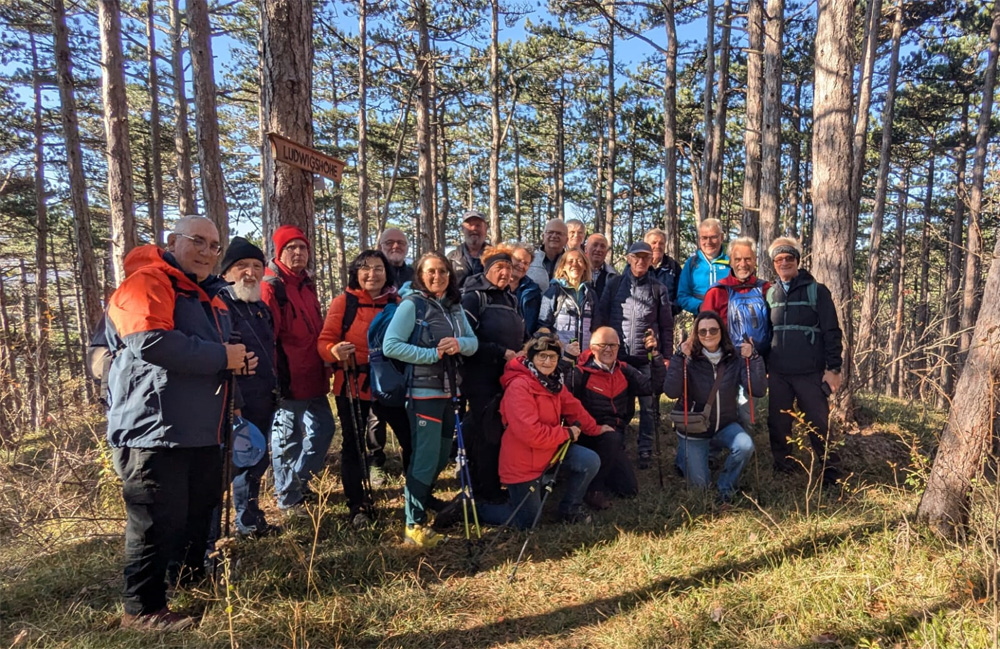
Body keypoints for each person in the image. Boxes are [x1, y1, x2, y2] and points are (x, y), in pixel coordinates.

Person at [105, 216, 255, 631]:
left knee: (196, 512)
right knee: (156, 521)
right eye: (198, 241)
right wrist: (222, 357)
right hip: (152, 428)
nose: (207, 252)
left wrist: (237, 368)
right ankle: (142, 609)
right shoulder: (146, 282)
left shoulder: (211, 295)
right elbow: (149, 341)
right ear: (172, 242)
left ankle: (189, 580)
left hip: (202, 429)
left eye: (214, 245)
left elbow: (220, 352)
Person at [383, 252, 478, 548]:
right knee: (425, 459)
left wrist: (458, 344)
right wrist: (431, 354)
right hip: (423, 394)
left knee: (440, 456)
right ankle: (413, 526)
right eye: (431, 272)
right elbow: (391, 345)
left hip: (450, 391)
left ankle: (420, 507)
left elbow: (472, 343)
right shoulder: (412, 304)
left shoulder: (454, 306)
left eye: (443, 271)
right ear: (420, 275)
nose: (438, 277)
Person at [317, 250, 412, 527]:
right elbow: (324, 341)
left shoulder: (398, 303)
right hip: (352, 384)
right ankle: (357, 505)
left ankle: (416, 497)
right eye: (365, 268)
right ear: (356, 273)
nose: (372, 274)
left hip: (391, 385)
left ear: (387, 272)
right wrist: (334, 351)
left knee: (410, 440)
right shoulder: (343, 303)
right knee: (353, 445)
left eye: (378, 268)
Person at [498, 330, 611, 527]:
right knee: (527, 523)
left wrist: (595, 429)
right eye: (542, 356)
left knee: (589, 460)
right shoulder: (519, 386)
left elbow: (573, 407)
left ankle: (570, 509)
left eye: (553, 357)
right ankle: (478, 509)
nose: (548, 361)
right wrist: (566, 433)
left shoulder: (553, 382)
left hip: (550, 452)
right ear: (531, 357)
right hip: (523, 463)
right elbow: (530, 433)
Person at [263, 224, 336, 511]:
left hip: (313, 376)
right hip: (288, 379)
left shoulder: (306, 284)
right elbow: (267, 338)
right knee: (287, 439)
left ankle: (297, 481)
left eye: (302, 247)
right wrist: (273, 379)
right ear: (279, 252)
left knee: (324, 429)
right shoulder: (271, 287)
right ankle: (288, 498)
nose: (298, 252)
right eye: (290, 247)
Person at [765, 237, 844, 484]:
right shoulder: (770, 293)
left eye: (789, 258)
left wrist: (833, 368)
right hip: (778, 373)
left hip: (810, 372)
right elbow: (766, 332)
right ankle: (783, 469)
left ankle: (831, 475)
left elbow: (832, 331)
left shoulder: (817, 291)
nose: (784, 263)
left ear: (797, 260)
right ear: (774, 263)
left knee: (819, 424)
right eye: (779, 259)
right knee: (778, 423)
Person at [664, 310, 765, 502]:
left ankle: (727, 486)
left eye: (713, 330)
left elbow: (758, 390)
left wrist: (754, 358)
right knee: (700, 488)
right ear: (696, 334)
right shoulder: (689, 358)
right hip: (694, 429)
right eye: (702, 331)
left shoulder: (734, 358)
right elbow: (671, 392)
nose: (708, 335)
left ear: (721, 331)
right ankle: (685, 456)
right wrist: (679, 357)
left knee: (745, 445)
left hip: (725, 424)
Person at [217, 237, 279, 538]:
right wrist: (231, 367)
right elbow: (215, 351)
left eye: (256, 266)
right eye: (242, 266)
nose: (250, 273)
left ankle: (249, 520)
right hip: (232, 401)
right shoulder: (219, 305)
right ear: (226, 272)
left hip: (262, 397)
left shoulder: (259, 307)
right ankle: (212, 533)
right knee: (227, 466)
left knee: (255, 459)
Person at [594, 241, 674, 470]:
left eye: (646, 257)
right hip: (617, 358)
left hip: (645, 358)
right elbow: (601, 316)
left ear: (651, 260)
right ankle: (619, 444)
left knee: (648, 406)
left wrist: (665, 355)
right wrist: (599, 348)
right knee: (621, 406)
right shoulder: (614, 284)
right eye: (636, 257)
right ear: (629, 259)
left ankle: (645, 447)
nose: (641, 261)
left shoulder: (658, 289)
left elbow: (666, 325)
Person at [460, 245, 526, 504]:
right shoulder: (474, 298)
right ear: (487, 269)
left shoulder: (511, 299)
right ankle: (484, 490)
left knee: (499, 430)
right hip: (480, 377)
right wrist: (501, 352)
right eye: (499, 267)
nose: (505, 273)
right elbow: (465, 341)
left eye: (509, 268)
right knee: (486, 431)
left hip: (508, 376)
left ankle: (493, 481)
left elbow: (521, 334)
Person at [571, 327, 651, 508]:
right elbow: (567, 403)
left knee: (628, 490)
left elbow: (651, 387)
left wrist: (656, 356)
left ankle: (600, 471)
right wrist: (595, 428)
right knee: (611, 438)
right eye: (602, 345)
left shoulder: (624, 369)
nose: (608, 350)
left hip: (615, 434)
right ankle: (594, 490)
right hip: (587, 434)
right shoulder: (581, 373)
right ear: (592, 348)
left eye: (613, 345)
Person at [701, 236, 772, 429]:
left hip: (754, 361)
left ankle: (744, 443)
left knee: (746, 412)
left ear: (755, 260)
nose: (743, 264)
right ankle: (719, 444)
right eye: (738, 259)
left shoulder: (766, 289)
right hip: (724, 360)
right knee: (721, 409)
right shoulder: (717, 291)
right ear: (730, 261)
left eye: (748, 259)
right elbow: (704, 329)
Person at [368, 228, 414, 484]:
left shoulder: (413, 274)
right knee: (376, 412)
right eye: (389, 242)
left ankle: (411, 464)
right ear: (380, 245)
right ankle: (376, 461)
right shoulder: (372, 272)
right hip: (376, 351)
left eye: (401, 242)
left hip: (406, 351)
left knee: (406, 412)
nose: (395, 246)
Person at [538, 249, 596, 360]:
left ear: (585, 266)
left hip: (585, 358)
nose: (575, 265)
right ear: (563, 266)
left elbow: (596, 326)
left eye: (579, 261)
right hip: (560, 358)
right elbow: (543, 325)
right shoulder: (554, 291)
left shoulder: (590, 294)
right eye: (570, 261)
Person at [677, 218, 731, 314]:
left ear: (722, 237)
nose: (708, 242)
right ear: (699, 239)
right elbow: (682, 296)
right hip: (701, 318)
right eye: (704, 238)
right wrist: (701, 306)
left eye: (713, 237)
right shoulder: (691, 263)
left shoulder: (731, 262)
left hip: (729, 317)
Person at [644, 228, 683, 315]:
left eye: (661, 243)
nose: (658, 246)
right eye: (654, 243)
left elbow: (681, 295)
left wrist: (669, 310)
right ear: (646, 245)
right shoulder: (636, 265)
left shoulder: (673, 267)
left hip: (666, 319)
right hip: (640, 318)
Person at [447, 210, 488, 288]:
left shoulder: (496, 257)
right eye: (469, 225)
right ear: (463, 229)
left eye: (478, 225)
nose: (474, 228)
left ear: (485, 229)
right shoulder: (452, 258)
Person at [526, 218, 568, 293]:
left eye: (559, 233)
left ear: (566, 240)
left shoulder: (572, 262)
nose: (554, 236)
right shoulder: (530, 259)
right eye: (550, 232)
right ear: (543, 236)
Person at [511, 243, 542, 334]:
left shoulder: (533, 291)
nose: (521, 266)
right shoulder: (494, 286)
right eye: (518, 260)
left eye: (526, 263)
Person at [584, 232, 618, 299]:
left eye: (602, 246)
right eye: (595, 245)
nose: (598, 249)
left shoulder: (614, 276)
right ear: (586, 249)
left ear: (606, 252)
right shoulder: (577, 272)